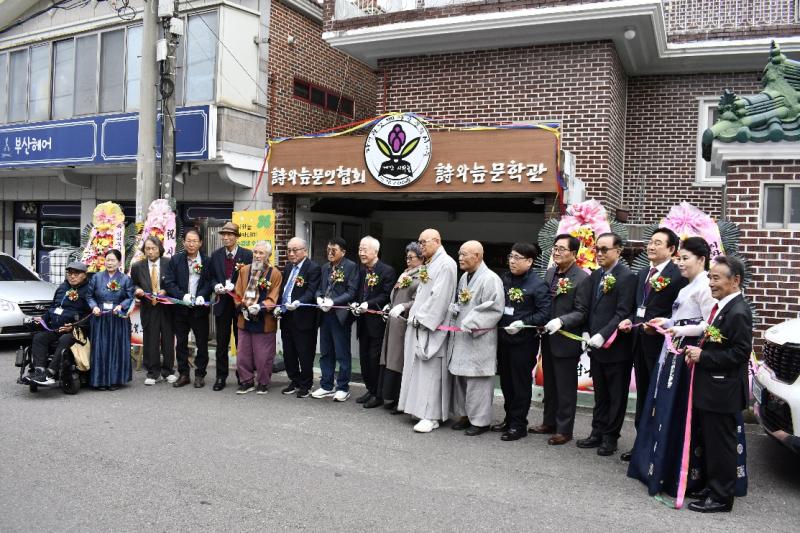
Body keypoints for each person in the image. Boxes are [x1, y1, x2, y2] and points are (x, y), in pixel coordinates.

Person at [627, 237, 729, 499]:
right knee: (666, 407)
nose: (680, 263)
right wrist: (668, 321)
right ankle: (663, 467)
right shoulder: (687, 286)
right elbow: (682, 317)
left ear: (701, 259)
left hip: (687, 355)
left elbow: (709, 324)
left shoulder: (705, 286)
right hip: (675, 349)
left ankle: (683, 474)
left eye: (685, 258)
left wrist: (680, 329)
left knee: (681, 411)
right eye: (679, 259)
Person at [683, 255, 752, 513]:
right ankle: (711, 486)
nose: (711, 283)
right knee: (710, 442)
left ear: (735, 281)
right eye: (710, 277)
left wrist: (704, 356)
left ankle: (721, 497)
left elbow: (740, 353)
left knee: (721, 444)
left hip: (722, 391)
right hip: (712, 389)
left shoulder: (738, 312)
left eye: (716, 278)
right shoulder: (723, 306)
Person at [618, 228, 687, 461]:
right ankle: (641, 444)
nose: (651, 246)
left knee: (659, 396)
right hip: (639, 342)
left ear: (671, 249)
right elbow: (637, 307)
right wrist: (630, 320)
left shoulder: (678, 276)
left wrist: (658, 327)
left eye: (658, 243)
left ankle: (657, 448)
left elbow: (679, 314)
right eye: (650, 242)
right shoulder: (643, 274)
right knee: (644, 395)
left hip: (661, 346)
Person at [576, 232, 636, 456]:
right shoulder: (596, 275)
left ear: (618, 251)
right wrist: (586, 330)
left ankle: (611, 437)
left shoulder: (627, 277)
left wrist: (603, 334)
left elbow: (623, 312)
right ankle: (597, 432)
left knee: (616, 396)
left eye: (604, 249)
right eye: (597, 249)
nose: (599, 253)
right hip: (596, 347)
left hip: (616, 348)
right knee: (600, 393)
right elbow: (589, 307)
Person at [531, 235, 590, 445]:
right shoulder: (550, 273)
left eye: (562, 249)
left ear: (573, 253)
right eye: (555, 248)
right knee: (549, 384)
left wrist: (561, 321)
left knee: (565, 388)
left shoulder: (582, 278)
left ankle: (564, 430)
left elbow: (582, 311)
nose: (556, 252)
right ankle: (549, 422)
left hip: (566, 341)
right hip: (547, 338)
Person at [398, 229, 457, 433]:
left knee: (431, 371)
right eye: (419, 242)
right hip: (418, 324)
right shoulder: (430, 263)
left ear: (437, 241)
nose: (421, 246)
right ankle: (419, 410)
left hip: (431, 327)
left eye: (424, 242)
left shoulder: (446, 264)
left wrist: (421, 318)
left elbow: (439, 298)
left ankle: (431, 416)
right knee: (418, 371)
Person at [493, 242, 550, 441]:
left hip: (523, 343)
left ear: (529, 261)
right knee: (506, 382)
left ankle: (519, 425)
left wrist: (524, 323)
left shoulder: (538, 284)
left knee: (520, 384)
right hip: (503, 340)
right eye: (511, 256)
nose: (512, 261)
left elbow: (544, 313)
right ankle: (509, 418)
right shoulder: (505, 279)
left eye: (517, 258)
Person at [448, 240, 505, 436]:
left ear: (478, 256)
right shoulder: (465, 276)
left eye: (464, 254)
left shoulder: (490, 279)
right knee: (462, 378)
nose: (460, 258)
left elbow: (494, 309)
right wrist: (455, 309)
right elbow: (462, 301)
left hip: (479, 337)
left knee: (478, 382)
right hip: (462, 337)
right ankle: (465, 415)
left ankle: (480, 421)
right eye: (459, 254)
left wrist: (472, 322)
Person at [28, 261, 92, 386]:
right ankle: (39, 371)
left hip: (75, 331)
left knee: (65, 339)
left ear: (84, 275)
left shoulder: (88, 290)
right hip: (55, 328)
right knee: (39, 337)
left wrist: (74, 326)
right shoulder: (62, 287)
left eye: (76, 274)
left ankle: (50, 374)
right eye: (70, 273)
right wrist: (42, 319)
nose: (72, 276)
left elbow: (90, 315)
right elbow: (52, 308)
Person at [164, 229, 213, 388]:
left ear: (200, 243)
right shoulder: (176, 260)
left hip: (199, 309)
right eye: (188, 241)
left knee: (202, 344)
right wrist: (182, 296)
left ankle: (200, 374)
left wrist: (202, 295)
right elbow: (169, 282)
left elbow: (210, 282)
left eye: (194, 241)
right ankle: (184, 374)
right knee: (181, 343)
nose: (191, 244)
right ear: (184, 242)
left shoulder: (207, 261)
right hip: (181, 309)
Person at [311, 237, 359, 402]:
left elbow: (351, 292)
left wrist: (334, 302)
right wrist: (319, 298)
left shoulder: (351, 267)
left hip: (339, 315)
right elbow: (319, 288)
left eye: (334, 250)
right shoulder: (325, 267)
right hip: (324, 315)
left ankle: (343, 387)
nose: (330, 253)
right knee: (326, 352)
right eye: (328, 250)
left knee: (342, 352)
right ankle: (326, 385)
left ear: (343, 252)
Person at [352, 236, 397, 409]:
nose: (361, 253)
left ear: (375, 251)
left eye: (364, 249)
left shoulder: (387, 271)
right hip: (362, 322)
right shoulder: (362, 270)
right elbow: (358, 292)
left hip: (377, 324)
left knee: (374, 360)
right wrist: (356, 303)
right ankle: (370, 389)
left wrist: (368, 304)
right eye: (360, 249)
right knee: (364, 359)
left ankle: (378, 394)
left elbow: (385, 295)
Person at [379, 242, 423, 413]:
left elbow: (417, 300)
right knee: (390, 357)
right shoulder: (405, 273)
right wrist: (390, 306)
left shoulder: (422, 275)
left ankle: (400, 399)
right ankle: (388, 395)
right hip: (394, 321)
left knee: (399, 359)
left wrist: (403, 307)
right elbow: (395, 294)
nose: (408, 260)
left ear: (421, 258)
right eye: (407, 257)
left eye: (411, 257)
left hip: (404, 322)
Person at [274, 237, 321, 398]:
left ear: (305, 251)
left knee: (304, 352)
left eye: (295, 250)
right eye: (289, 250)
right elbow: (284, 289)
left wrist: (299, 302)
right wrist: (278, 305)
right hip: (287, 315)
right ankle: (294, 380)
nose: (291, 254)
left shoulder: (313, 268)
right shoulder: (288, 267)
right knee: (289, 352)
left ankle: (306, 384)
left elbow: (311, 291)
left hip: (303, 317)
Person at [233, 241, 282, 394]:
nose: (257, 256)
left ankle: (263, 382)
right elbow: (237, 292)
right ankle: (246, 381)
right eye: (255, 252)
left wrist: (261, 306)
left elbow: (274, 296)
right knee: (243, 354)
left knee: (263, 356)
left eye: (261, 253)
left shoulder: (275, 273)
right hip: (245, 318)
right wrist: (242, 306)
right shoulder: (244, 270)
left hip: (264, 320)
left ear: (268, 256)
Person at [210, 222, 253, 391]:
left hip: (239, 304)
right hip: (222, 303)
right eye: (224, 235)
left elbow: (252, 279)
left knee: (241, 342)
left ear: (236, 237)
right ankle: (221, 377)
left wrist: (236, 286)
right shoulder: (216, 255)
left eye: (230, 235)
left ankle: (243, 376)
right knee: (221, 342)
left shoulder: (247, 255)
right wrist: (216, 286)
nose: (226, 238)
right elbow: (211, 277)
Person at [87, 249, 135, 390]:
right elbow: (89, 296)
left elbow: (130, 296)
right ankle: (99, 380)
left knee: (116, 347)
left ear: (119, 262)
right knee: (100, 347)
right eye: (107, 260)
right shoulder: (96, 277)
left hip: (117, 317)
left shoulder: (125, 279)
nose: (109, 263)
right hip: (100, 317)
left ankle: (115, 380)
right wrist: (94, 306)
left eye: (113, 260)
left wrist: (121, 306)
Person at [131, 236, 175, 385]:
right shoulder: (137, 266)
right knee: (151, 340)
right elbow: (133, 284)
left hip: (167, 308)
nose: (150, 252)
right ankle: (152, 373)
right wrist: (137, 290)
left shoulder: (169, 263)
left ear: (159, 249)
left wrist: (166, 290)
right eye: (147, 249)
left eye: (153, 248)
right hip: (149, 308)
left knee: (168, 339)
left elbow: (174, 282)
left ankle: (168, 371)